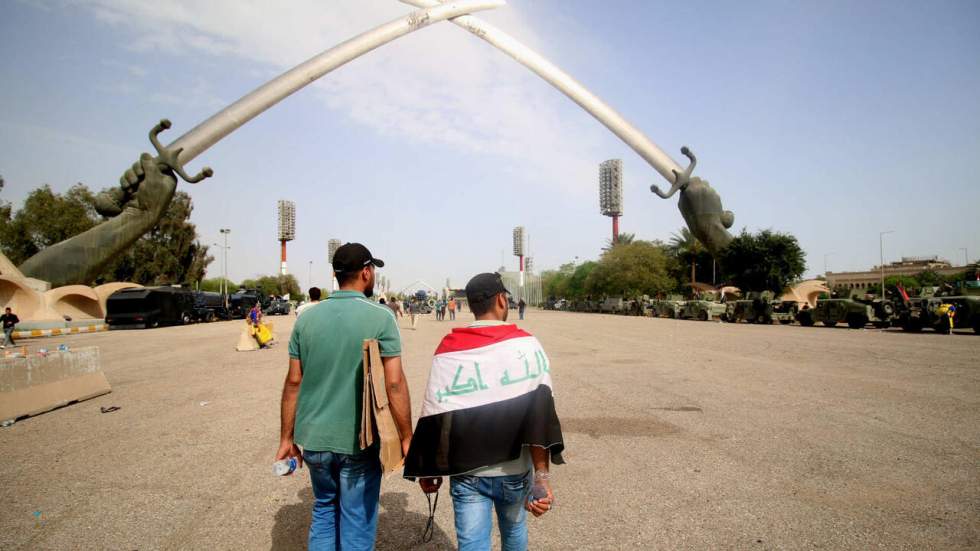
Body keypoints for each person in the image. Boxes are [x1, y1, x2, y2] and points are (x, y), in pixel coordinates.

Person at [404, 272, 564, 551]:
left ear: (470, 305)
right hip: (514, 471)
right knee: (514, 534)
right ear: (502, 300)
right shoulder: (527, 346)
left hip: (466, 474)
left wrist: (429, 468)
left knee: (472, 545)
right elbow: (540, 416)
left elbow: (436, 411)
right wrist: (542, 477)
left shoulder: (449, 349)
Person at [277, 242, 413, 550]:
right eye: (373, 270)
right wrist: (407, 435)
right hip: (358, 442)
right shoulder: (380, 317)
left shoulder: (306, 319)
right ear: (366, 273)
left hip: (314, 441)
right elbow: (394, 384)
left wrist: (287, 439)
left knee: (324, 509)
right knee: (356, 521)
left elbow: (293, 382)